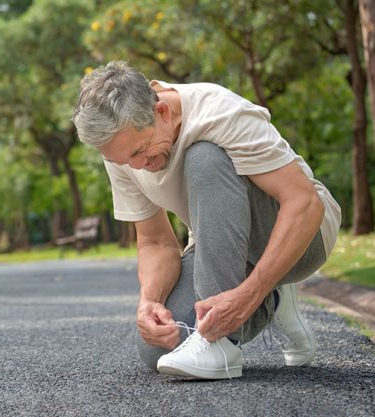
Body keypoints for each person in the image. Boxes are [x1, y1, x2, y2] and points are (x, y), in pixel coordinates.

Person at [72, 61, 341, 380]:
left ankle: (219, 344)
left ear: (161, 112)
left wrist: (249, 294)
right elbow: (156, 241)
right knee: (160, 347)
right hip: (223, 249)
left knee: (204, 157)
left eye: (140, 152)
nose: (137, 166)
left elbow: (304, 203)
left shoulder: (218, 111)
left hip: (304, 236)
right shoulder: (122, 149)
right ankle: (273, 298)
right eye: (122, 160)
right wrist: (149, 302)